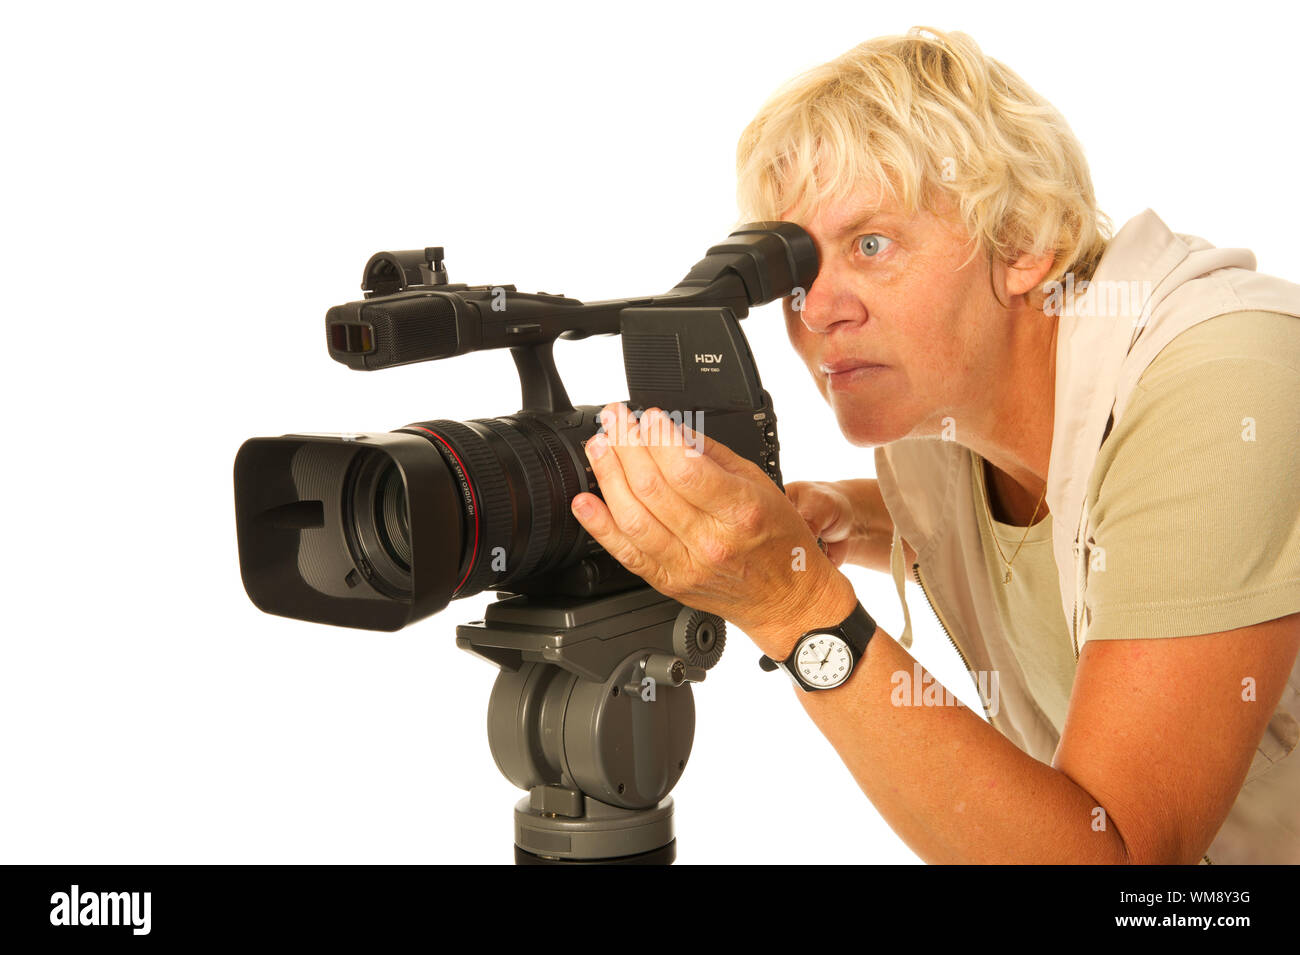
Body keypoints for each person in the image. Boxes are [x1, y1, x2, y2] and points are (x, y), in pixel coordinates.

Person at [569, 26, 1300, 863]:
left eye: (871, 245)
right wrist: (848, 514)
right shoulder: (945, 417)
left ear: (1026, 240)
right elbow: (1074, 524)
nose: (817, 312)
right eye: (797, 273)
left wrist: (795, 607)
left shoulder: (1219, 388)